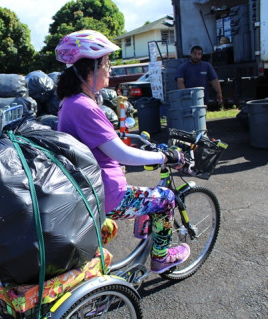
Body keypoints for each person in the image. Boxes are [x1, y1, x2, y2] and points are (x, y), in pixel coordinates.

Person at [55, 30, 190, 274]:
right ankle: (161, 256)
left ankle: (146, 227)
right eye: (106, 63)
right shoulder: (83, 107)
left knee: (149, 198)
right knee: (166, 199)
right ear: (91, 68)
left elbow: (101, 150)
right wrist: (165, 156)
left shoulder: (71, 102)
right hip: (108, 195)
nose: (110, 69)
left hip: (93, 190)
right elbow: (122, 154)